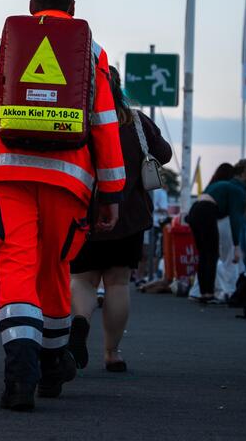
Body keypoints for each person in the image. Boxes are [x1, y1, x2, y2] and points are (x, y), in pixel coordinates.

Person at [0, 0, 125, 411]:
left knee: (15, 269)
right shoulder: (92, 52)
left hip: (8, 175)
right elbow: (104, 124)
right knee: (53, 273)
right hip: (69, 182)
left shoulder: (3, 47)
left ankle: (20, 378)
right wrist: (112, 191)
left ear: (31, 4)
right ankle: (51, 368)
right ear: (74, 7)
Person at [68, 67, 172, 373]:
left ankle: (79, 324)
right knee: (117, 284)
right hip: (129, 216)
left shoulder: (80, 120)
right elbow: (163, 154)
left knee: (82, 280)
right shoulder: (136, 121)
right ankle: (112, 353)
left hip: (84, 213)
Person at [187, 161, 246, 303]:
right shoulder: (237, 190)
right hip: (207, 212)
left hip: (195, 209)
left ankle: (203, 293)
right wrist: (237, 246)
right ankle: (208, 293)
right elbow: (235, 218)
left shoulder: (218, 185)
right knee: (212, 254)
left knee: (204, 254)